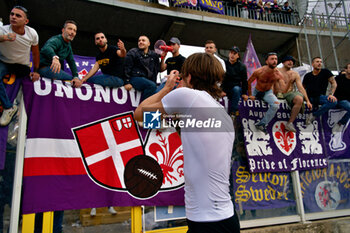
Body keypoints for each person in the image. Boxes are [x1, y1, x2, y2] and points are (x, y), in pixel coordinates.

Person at [134, 53, 240, 233]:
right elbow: (149, 121)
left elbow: (139, 113)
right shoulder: (221, 112)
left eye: (182, 78)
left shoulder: (187, 97)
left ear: (189, 77)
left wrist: (166, 89)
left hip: (206, 222)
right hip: (225, 217)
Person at [0, 6, 40, 126]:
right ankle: (8, 108)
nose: (13, 17)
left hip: (22, 66)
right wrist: (5, 38)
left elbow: (36, 53)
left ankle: (21, 119)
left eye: (18, 15)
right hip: (4, 62)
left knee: (29, 85)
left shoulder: (32, 33)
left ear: (26, 21)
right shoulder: (3, 30)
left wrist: (36, 70)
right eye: (12, 14)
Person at [246, 52, 287, 132]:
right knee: (246, 102)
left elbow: (283, 88)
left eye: (276, 59)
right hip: (257, 91)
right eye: (272, 59)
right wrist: (250, 94)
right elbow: (249, 82)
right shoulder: (259, 71)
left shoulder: (278, 73)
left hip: (267, 93)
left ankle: (262, 124)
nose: (274, 61)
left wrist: (282, 82)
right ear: (267, 61)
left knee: (276, 105)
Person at [277, 55, 312, 132]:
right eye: (288, 60)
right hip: (276, 93)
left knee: (299, 98)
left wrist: (308, 100)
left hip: (289, 93)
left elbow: (301, 88)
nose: (290, 62)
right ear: (283, 62)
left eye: (292, 61)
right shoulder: (276, 70)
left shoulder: (295, 74)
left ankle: (290, 123)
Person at [303, 57, 337, 125]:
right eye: (317, 62)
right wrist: (306, 100)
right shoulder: (307, 75)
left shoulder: (326, 72)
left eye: (321, 62)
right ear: (312, 64)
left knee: (333, 102)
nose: (319, 63)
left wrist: (331, 94)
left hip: (320, 97)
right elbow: (302, 88)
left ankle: (314, 115)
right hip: (309, 97)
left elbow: (334, 83)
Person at [123, 35, 160, 100]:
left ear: (149, 44)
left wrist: (163, 57)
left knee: (156, 89)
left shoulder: (154, 55)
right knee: (152, 86)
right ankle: (143, 107)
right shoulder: (133, 52)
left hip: (148, 81)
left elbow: (156, 70)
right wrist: (127, 82)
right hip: (134, 78)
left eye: (143, 40)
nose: (140, 42)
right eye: (139, 40)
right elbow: (126, 68)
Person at [221, 46, 248, 116]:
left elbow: (244, 81)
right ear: (229, 54)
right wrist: (221, 90)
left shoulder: (242, 66)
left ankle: (233, 112)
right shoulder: (223, 63)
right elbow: (220, 77)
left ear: (238, 56)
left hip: (235, 89)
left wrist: (244, 93)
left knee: (236, 89)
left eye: (234, 53)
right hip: (224, 88)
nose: (232, 55)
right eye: (231, 53)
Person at [332, 63, 350, 133]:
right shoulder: (339, 78)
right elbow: (333, 89)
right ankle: (340, 123)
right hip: (340, 100)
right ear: (346, 69)